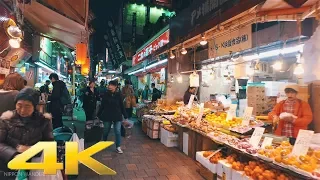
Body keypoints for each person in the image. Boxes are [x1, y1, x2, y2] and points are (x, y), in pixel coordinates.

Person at [0, 88, 54, 177]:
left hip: (34, 167)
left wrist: (32, 150)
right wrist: (14, 154)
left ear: (35, 106)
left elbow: (49, 144)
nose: (22, 110)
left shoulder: (44, 121)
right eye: (19, 105)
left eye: (27, 106)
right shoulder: (6, 119)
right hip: (8, 164)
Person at [98, 80, 128, 154]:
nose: (109, 86)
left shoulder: (119, 95)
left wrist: (125, 115)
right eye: (109, 85)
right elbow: (102, 106)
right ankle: (103, 143)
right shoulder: (105, 94)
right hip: (107, 115)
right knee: (106, 130)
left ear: (115, 87)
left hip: (117, 115)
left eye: (111, 85)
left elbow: (122, 106)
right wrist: (98, 114)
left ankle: (118, 146)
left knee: (117, 131)